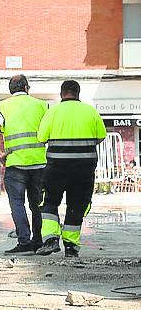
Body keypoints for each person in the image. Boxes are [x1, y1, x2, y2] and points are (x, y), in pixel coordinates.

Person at [36, 80, 106, 258]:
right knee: (77, 205)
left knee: (49, 202)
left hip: (56, 168)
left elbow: (41, 137)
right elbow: (101, 136)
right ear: (78, 93)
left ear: (62, 94)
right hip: (84, 169)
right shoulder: (90, 111)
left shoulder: (53, 112)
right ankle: (71, 246)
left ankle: (51, 239)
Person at [0, 75, 49, 255]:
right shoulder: (42, 105)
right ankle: (39, 242)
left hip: (15, 163)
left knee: (17, 203)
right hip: (39, 162)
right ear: (26, 87)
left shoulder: (2, 106)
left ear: (11, 90)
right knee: (37, 204)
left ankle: (24, 242)